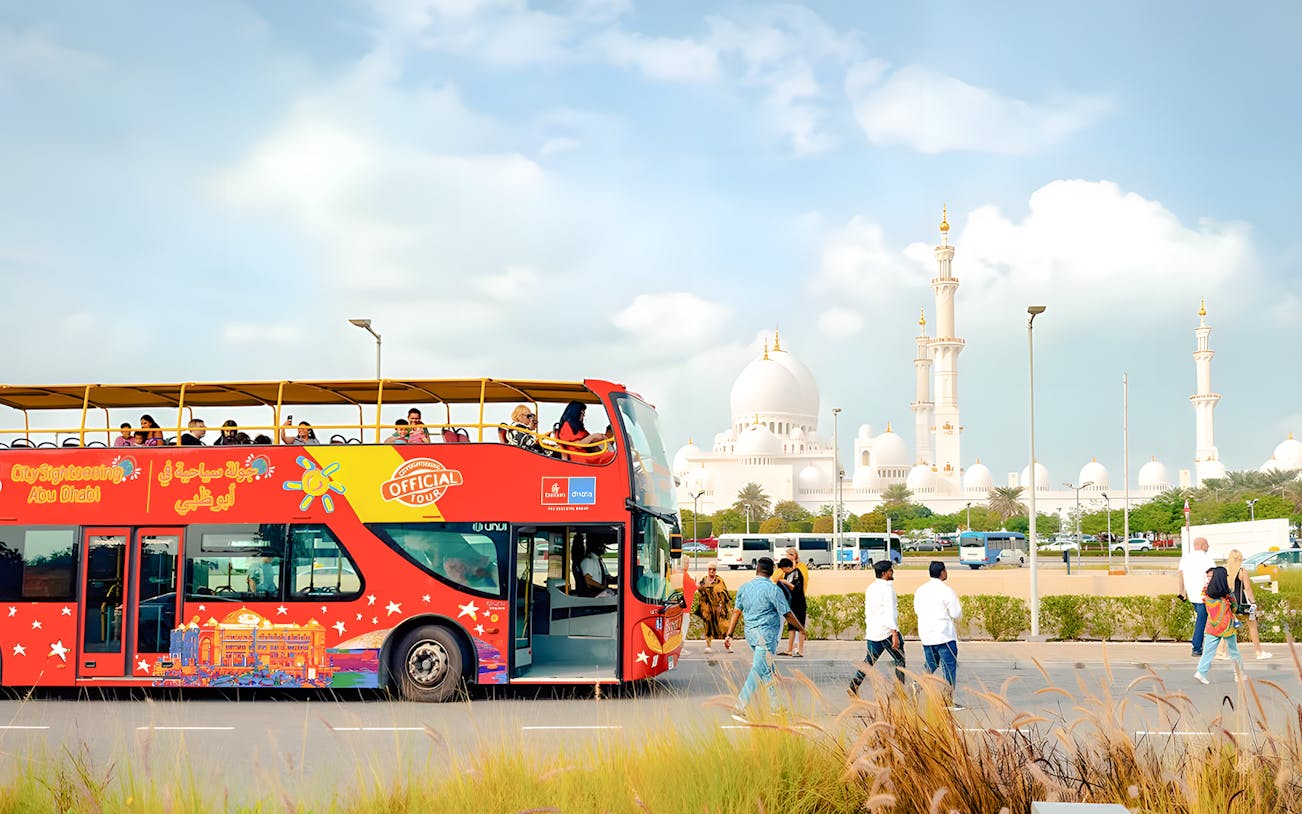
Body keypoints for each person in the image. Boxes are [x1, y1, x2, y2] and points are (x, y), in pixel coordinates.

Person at [723, 557, 807, 722]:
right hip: (766, 637)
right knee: (757, 670)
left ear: (757, 570)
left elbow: (736, 612)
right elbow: (787, 613)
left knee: (767, 671)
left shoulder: (744, 588)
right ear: (772, 571)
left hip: (752, 637)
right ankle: (739, 707)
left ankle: (776, 707)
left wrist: (729, 634)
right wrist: (801, 629)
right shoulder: (773, 590)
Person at [850, 558, 906, 694]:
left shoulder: (871, 588)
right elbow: (890, 611)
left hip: (873, 631)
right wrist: (894, 633)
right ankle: (898, 691)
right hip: (886, 631)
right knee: (900, 659)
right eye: (890, 570)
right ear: (884, 573)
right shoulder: (888, 589)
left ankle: (854, 684)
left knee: (869, 661)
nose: (892, 572)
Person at [913, 560, 963, 709]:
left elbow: (917, 610)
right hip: (944, 635)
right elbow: (956, 613)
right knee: (949, 667)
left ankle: (917, 684)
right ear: (942, 572)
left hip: (927, 635)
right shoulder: (947, 591)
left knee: (931, 664)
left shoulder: (920, 590)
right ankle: (947, 700)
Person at [1195, 565, 1245, 683]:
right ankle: (1238, 674)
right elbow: (1235, 607)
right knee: (1233, 651)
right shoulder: (1227, 595)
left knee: (1208, 651)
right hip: (1227, 625)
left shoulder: (1207, 594)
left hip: (1212, 625)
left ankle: (1201, 672)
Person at [1219, 549, 1272, 660]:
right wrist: (1253, 603)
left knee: (1228, 626)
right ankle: (1258, 652)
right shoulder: (1242, 571)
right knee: (1252, 626)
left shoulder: (1224, 571)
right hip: (1241, 603)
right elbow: (1247, 589)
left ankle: (1221, 651)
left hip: (1228, 602)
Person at [1176, 537, 1216, 656]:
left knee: (1202, 619)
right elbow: (1213, 576)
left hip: (1192, 594)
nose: (1208, 546)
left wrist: (1181, 591)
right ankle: (1197, 646)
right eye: (1207, 544)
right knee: (1202, 620)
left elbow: (1181, 575)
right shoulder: (1207, 558)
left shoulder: (1185, 558)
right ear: (1202, 545)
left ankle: (1202, 645)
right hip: (1205, 595)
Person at [693, 563, 732, 652]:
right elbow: (698, 588)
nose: (711, 571)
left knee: (724, 626)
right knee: (708, 626)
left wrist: (721, 605)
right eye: (710, 569)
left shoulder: (719, 580)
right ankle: (708, 646)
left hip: (718, 607)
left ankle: (728, 645)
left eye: (713, 569)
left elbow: (724, 593)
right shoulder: (704, 579)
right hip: (707, 607)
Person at [776, 557, 806, 657]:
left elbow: (796, 588)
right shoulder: (787, 574)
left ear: (788, 567)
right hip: (791, 604)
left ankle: (800, 650)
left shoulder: (797, 573)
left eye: (784, 569)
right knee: (791, 628)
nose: (783, 571)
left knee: (800, 626)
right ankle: (789, 649)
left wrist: (785, 582)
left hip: (799, 604)